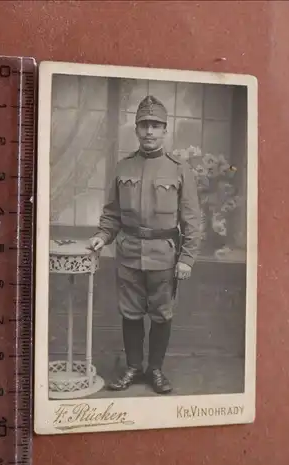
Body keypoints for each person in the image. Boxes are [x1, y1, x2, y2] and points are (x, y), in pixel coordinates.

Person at [88, 95, 201, 394]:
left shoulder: (179, 169)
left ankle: (156, 370)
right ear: (136, 130)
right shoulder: (123, 167)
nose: (149, 131)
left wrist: (187, 258)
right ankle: (133, 367)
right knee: (131, 313)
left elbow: (192, 219)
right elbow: (112, 213)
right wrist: (102, 235)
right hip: (127, 255)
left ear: (165, 130)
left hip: (164, 256)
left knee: (162, 313)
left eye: (155, 125)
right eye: (144, 125)